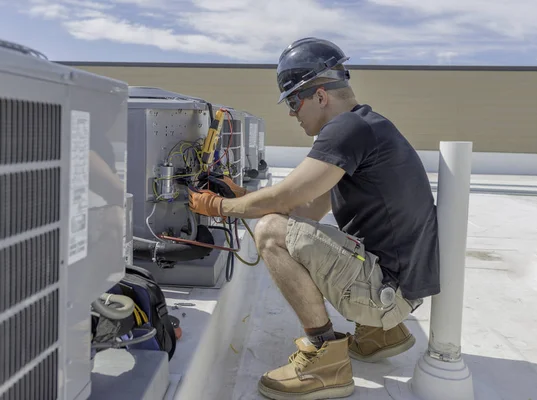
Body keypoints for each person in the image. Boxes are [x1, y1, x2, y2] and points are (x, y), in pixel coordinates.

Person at [188, 37, 440, 400]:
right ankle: (380, 333)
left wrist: (218, 206)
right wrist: (243, 197)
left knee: (271, 232)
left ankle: (325, 359)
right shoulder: (367, 127)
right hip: (400, 288)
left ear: (321, 95)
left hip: (387, 292)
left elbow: (286, 199)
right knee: (287, 226)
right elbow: (305, 209)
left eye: (293, 100)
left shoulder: (345, 129)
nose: (292, 112)